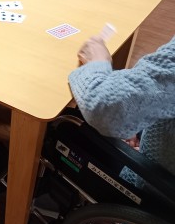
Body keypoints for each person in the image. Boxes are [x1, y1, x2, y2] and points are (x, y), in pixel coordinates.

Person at [69, 35, 175, 184]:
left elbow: (102, 108)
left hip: (153, 186)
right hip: (163, 153)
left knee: (68, 125)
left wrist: (97, 61)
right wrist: (139, 117)